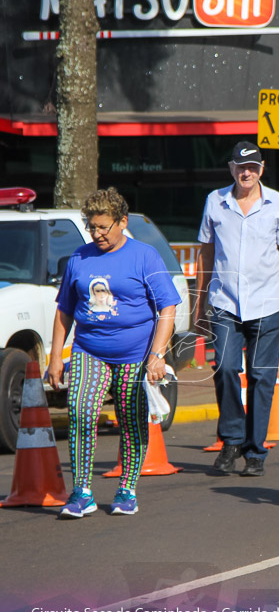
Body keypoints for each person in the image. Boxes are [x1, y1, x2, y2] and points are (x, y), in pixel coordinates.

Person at [46, 188, 180, 518]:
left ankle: (126, 489)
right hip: (88, 350)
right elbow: (64, 310)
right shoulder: (79, 257)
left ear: (122, 222)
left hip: (135, 354)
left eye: (103, 227)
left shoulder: (145, 256)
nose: (96, 234)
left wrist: (157, 355)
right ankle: (81, 492)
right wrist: (53, 358)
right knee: (79, 412)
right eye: (91, 227)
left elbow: (168, 307)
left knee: (131, 421)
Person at [194, 141, 279, 478]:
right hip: (225, 303)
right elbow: (206, 256)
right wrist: (199, 304)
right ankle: (231, 440)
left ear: (262, 168)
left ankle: (255, 451)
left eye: (253, 167)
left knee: (262, 378)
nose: (247, 173)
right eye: (241, 167)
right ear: (231, 168)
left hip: (267, 306)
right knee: (226, 368)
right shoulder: (215, 202)